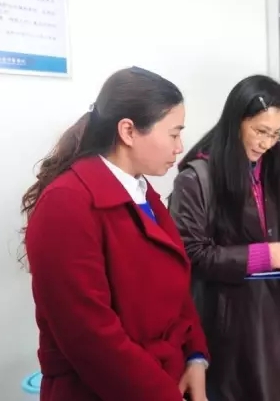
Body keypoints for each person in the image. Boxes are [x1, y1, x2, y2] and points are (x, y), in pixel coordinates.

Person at [20, 67, 209, 401]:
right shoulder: (66, 203)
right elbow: (90, 338)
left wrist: (195, 356)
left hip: (164, 378)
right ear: (128, 131)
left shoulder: (142, 192)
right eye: (173, 134)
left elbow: (176, 286)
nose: (180, 147)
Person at [168, 74, 280, 401]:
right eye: (260, 131)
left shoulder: (271, 166)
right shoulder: (196, 179)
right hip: (229, 322)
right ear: (236, 121)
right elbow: (192, 253)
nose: (267, 143)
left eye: (276, 134)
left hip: (273, 313)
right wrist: (265, 255)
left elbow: (274, 232)